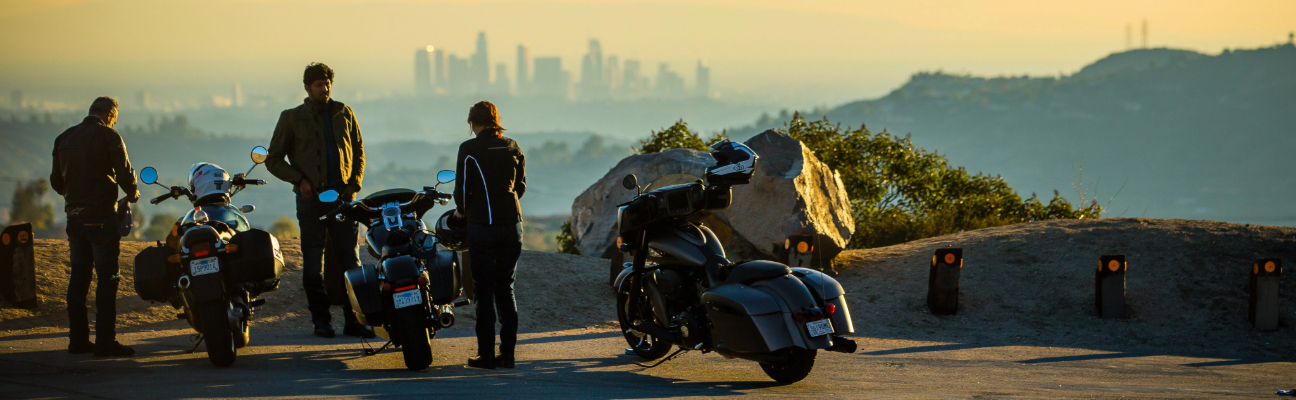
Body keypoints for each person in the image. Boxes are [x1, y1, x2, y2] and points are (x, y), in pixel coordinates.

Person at [265, 62, 374, 339]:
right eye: (318, 85)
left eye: (327, 84)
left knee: (351, 263)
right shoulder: (291, 118)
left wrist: (355, 183)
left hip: (343, 199)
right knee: (314, 266)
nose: (324, 89)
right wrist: (300, 180)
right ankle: (321, 322)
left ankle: (355, 321)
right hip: (311, 201)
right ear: (307, 87)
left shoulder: (344, 112)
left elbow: (358, 150)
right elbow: (273, 159)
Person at [50, 96, 138, 357]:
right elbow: (124, 172)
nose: (113, 123)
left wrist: (75, 196)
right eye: (114, 119)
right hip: (102, 218)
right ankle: (105, 341)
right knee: (108, 278)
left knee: (79, 278)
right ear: (110, 114)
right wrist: (132, 192)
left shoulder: (64, 138)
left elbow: (56, 182)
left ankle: (77, 341)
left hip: (75, 218)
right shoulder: (109, 137)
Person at [455, 101, 526, 369]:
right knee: (506, 287)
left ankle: (485, 354)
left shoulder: (469, 149)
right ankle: (508, 355)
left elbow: (462, 191)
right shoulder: (513, 146)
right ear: (496, 120)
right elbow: (520, 186)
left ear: (473, 122)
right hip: (512, 224)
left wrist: (462, 211)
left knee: (483, 290)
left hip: (483, 225)